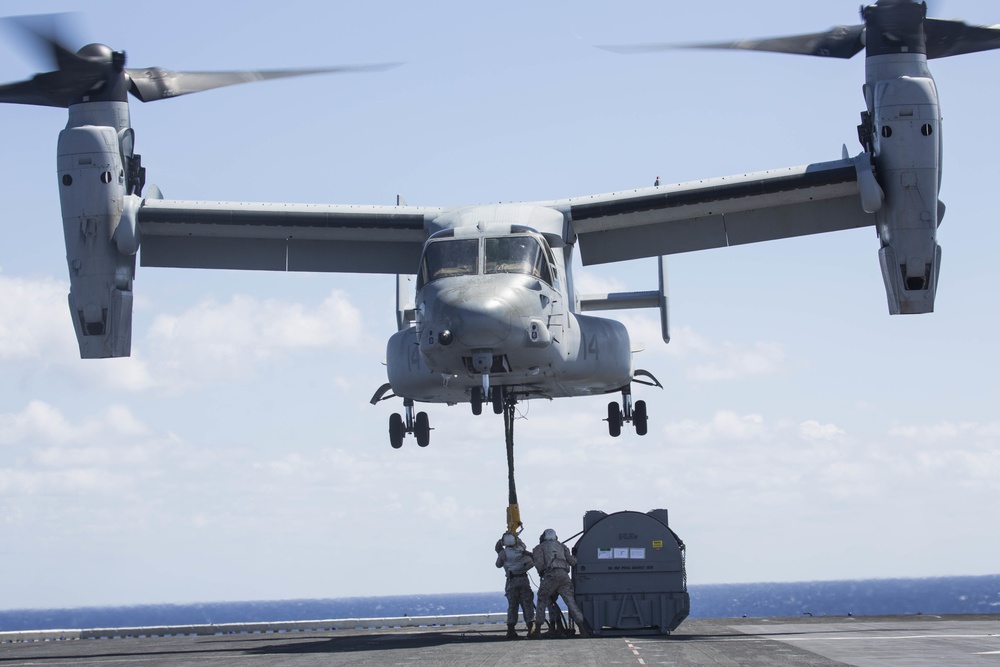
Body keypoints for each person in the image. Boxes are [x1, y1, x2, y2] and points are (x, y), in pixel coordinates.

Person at [531, 528, 592, 638]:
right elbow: (573, 562)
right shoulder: (562, 546)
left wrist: (542, 573)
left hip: (550, 576)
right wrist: (574, 555)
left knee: (542, 599)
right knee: (571, 602)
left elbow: (539, 564)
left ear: (543, 537)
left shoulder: (539, 548)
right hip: (564, 576)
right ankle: (582, 630)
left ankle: (538, 631)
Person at [495, 532, 536, 639]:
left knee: (512, 606)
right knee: (527, 604)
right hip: (523, 579)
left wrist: (500, 549)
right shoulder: (522, 549)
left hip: (511, 580)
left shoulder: (504, 553)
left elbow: (498, 565)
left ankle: (511, 630)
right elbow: (522, 544)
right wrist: (516, 536)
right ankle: (531, 629)